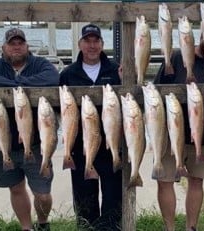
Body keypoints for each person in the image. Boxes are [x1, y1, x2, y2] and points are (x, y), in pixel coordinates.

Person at [153, 21, 204, 231]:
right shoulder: (175, 59)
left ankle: (191, 227)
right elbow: (156, 91)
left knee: (196, 181)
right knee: (165, 180)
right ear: (202, 35)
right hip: (172, 133)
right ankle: (169, 228)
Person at [0, 28, 60, 231]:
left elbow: (52, 78)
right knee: (16, 188)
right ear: (4, 47)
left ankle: (43, 223)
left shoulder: (40, 64)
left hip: (36, 144)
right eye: (12, 43)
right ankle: (26, 227)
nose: (16, 47)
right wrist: (18, 86)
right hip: (3, 142)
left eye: (20, 43)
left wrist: (18, 85)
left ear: (27, 46)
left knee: (42, 192)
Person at [59, 24, 123, 231]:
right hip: (80, 147)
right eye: (87, 41)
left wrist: (127, 79)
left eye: (96, 41)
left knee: (114, 197)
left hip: (111, 145)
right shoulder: (68, 74)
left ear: (103, 45)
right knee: (84, 198)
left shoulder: (116, 70)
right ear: (80, 44)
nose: (92, 45)